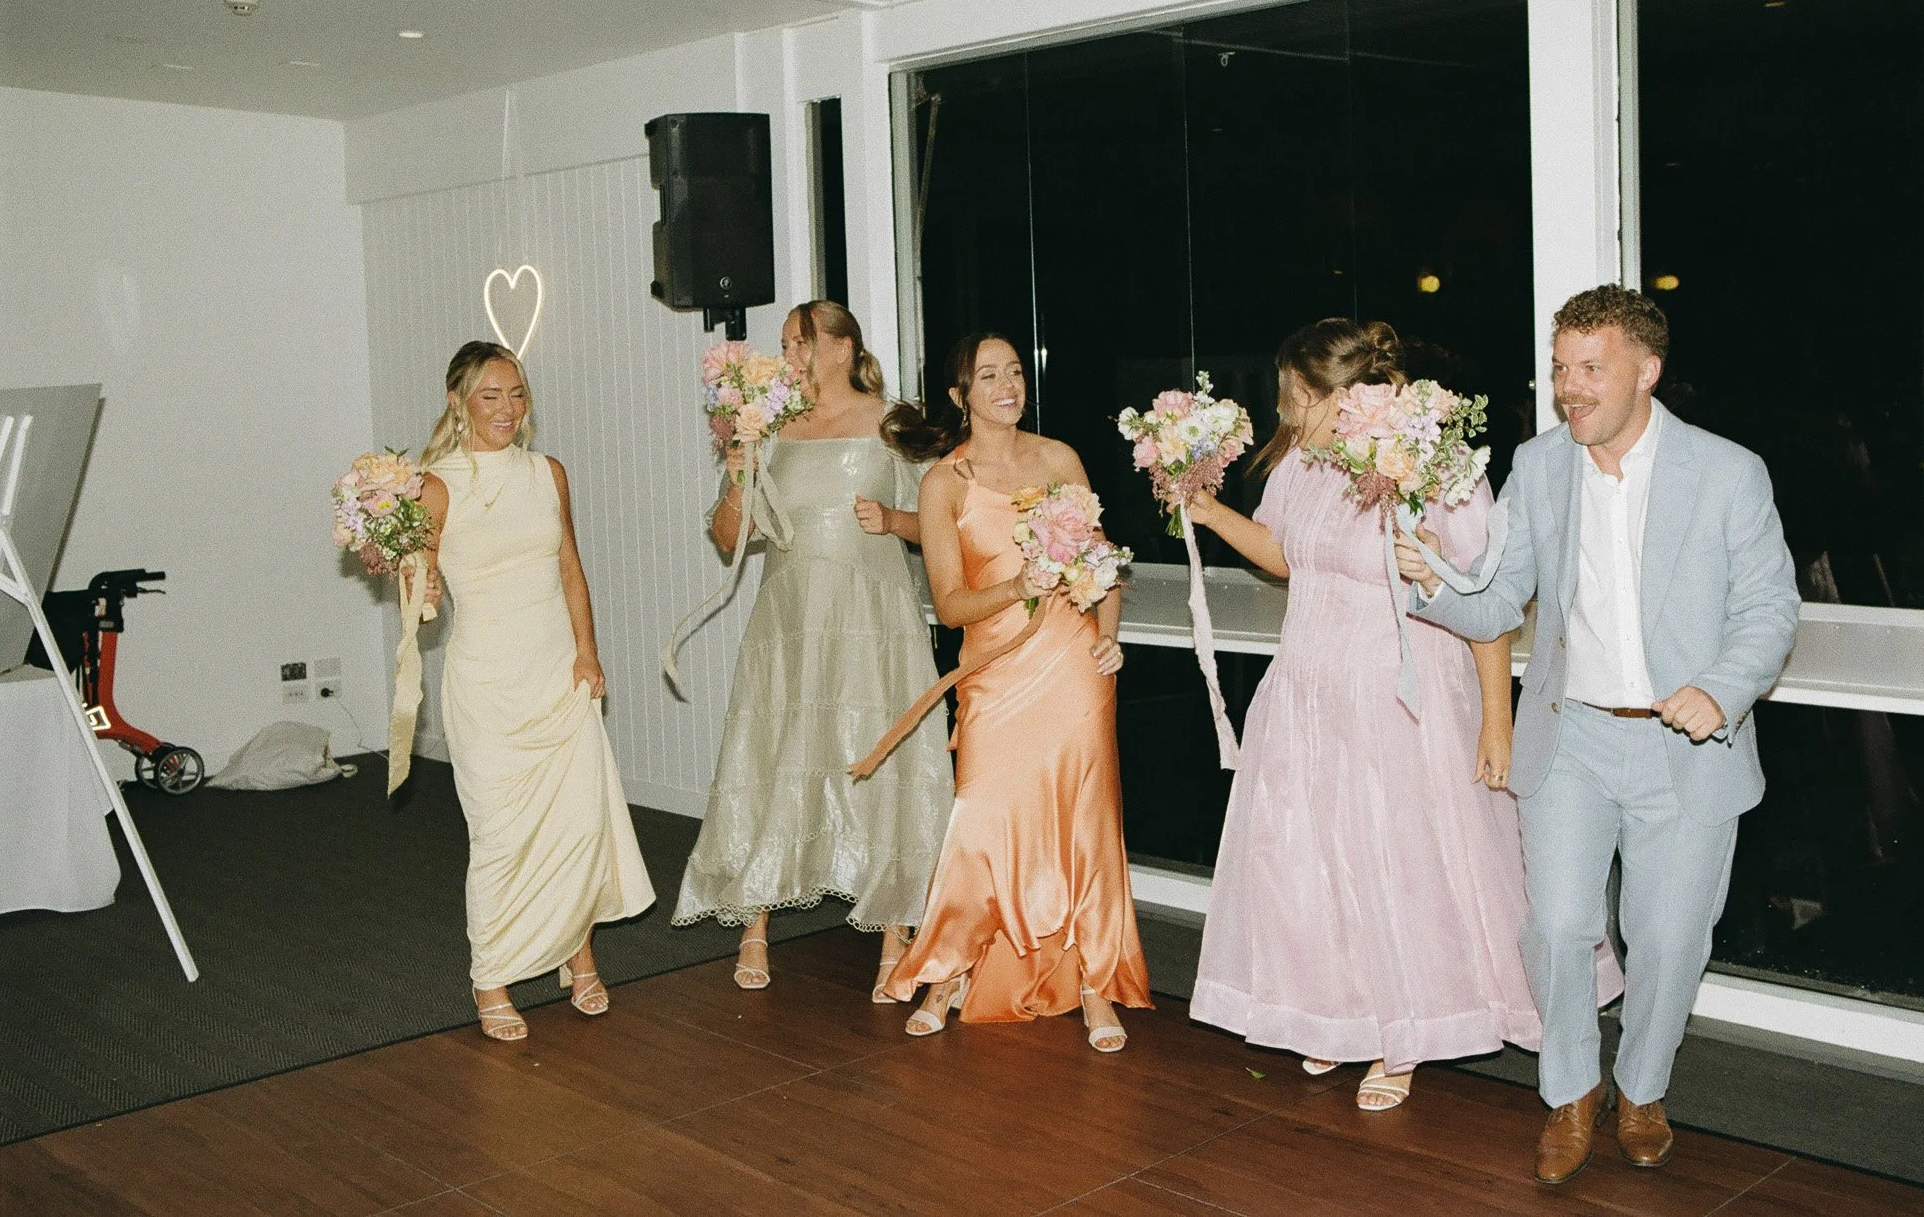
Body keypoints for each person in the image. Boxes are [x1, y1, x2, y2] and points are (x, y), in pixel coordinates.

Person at [1396, 285, 1799, 1184]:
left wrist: (1721, 690)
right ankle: (1571, 1092)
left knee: (1669, 940)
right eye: (1559, 369)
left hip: (1685, 747)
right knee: (1558, 927)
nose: (1568, 388)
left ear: (1647, 371)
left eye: (1589, 369)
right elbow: (1499, 599)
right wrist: (1432, 580)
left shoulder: (1728, 472)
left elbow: (1771, 609)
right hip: (1571, 737)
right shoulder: (1540, 465)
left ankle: (1643, 1089)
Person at [1186, 318, 1617, 1110]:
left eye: (1291, 396)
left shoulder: (1427, 465)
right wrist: (1211, 514)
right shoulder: (1301, 464)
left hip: (1400, 701)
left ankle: (1405, 1034)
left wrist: (1497, 722)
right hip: (1307, 693)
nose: (1282, 411)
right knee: (1315, 864)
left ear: (1333, 394)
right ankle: (1341, 1014)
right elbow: (1288, 557)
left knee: (1402, 870)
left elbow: (1486, 601)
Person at [876, 333, 1151, 1050]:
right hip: (996, 673)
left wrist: (1108, 634)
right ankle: (948, 971)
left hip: (1073, 665)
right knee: (982, 818)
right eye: (989, 375)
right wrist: (1017, 586)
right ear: (960, 396)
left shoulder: (1059, 459)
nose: (1007, 386)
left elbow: (1102, 565)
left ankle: (1094, 982)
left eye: (1016, 372)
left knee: (1084, 822)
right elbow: (950, 605)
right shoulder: (944, 484)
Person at [672, 301, 954, 997]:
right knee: (777, 754)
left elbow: (940, 524)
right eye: (787, 344)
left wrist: (892, 519)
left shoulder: (892, 424)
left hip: (873, 620)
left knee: (883, 757)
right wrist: (738, 472)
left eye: (801, 342)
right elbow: (728, 537)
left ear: (842, 347)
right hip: (791, 621)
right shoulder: (768, 428)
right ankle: (756, 920)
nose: (790, 355)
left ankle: (895, 929)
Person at [413, 340, 656, 1042]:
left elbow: (570, 567)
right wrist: (418, 586)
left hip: (557, 674)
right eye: (491, 396)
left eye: (517, 394)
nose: (507, 409)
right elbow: (420, 581)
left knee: (576, 827)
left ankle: (578, 957)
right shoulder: (433, 486)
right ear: (458, 402)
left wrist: (588, 654)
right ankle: (489, 978)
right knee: (500, 835)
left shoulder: (548, 472)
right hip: (487, 684)